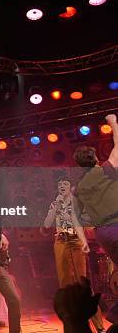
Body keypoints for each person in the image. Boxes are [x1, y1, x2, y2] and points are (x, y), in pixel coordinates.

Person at [44, 178, 106, 331]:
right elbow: (46, 224)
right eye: (60, 186)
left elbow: (90, 224)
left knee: (82, 283)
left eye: (65, 185)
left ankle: (99, 326)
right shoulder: (55, 204)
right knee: (64, 283)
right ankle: (70, 325)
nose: (63, 188)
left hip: (76, 242)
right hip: (61, 242)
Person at [73, 114, 118, 323]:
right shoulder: (107, 170)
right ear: (96, 159)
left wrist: (83, 242)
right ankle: (115, 312)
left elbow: (76, 218)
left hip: (103, 234)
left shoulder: (79, 188)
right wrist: (113, 123)